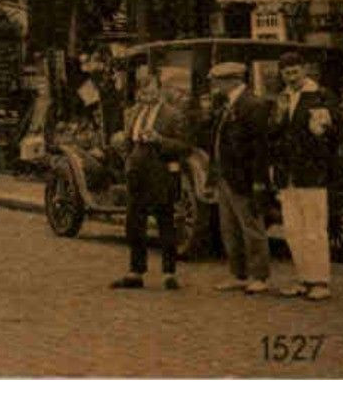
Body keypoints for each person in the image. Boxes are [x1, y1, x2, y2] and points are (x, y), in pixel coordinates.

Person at [111, 71, 190, 291]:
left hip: (160, 174)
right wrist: (128, 160)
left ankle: (168, 273)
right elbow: (127, 141)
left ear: (160, 88)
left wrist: (159, 139)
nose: (146, 92)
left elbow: (184, 146)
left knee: (165, 223)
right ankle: (136, 271)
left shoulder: (172, 115)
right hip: (136, 174)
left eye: (151, 87)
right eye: (142, 88)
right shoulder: (133, 113)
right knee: (134, 223)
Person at [272, 51, 341, 301]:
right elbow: (275, 133)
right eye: (286, 73)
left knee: (314, 228)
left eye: (295, 71)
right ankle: (303, 278)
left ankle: (320, 281)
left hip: (312, 172)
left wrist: (324, 128)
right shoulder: (283, 98)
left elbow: (337, 132)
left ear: (304, 70)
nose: (291, 77)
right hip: (288, 174)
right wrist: (278, 117)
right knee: (293, 230)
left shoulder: (320, 96)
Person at [207, 61, 273, 295]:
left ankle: (259, 275)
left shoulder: (252, 105)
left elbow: (259, 148)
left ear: (233, 80)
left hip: (243, 177)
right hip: (226, 175)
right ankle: (239, 273)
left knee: (251, 226)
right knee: (230, 228)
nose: (215, 85)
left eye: (219, 81)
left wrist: (258, 180)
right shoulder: (227, 105)